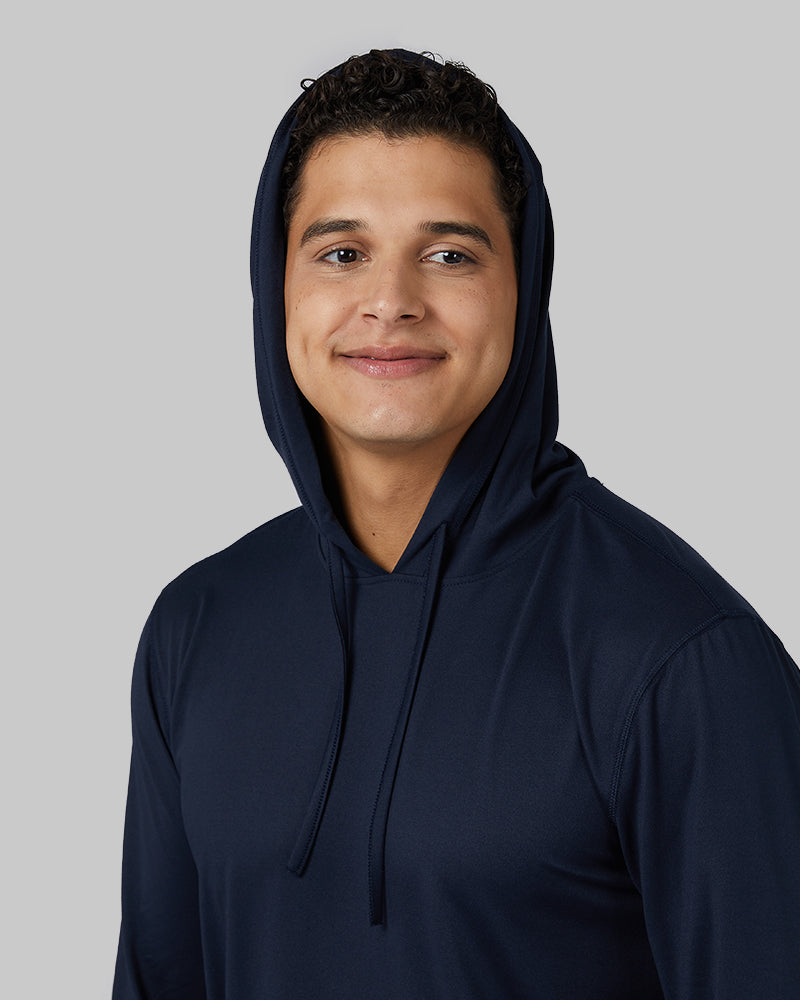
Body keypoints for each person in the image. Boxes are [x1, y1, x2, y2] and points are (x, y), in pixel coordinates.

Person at [112, 49, 800, 998]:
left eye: (450, 255)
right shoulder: (197, 627)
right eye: (342, 253)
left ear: (525, 288)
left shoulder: (680, 655)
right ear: (278, 287)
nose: (391, 302)